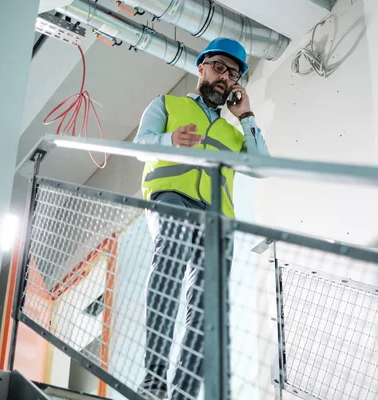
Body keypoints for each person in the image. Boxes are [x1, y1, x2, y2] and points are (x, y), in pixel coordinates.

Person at [133, 37, 270, 400]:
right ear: (202, 67)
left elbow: (262, 168)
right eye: (220, 68)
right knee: (169, 268)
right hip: (172, 198)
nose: (225, 78)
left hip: (217, 219)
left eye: (234, 74)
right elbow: (138, 146)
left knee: (206, 307)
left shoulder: (233, 131)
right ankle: (153, 380)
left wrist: (247, 117)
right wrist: (169, 140)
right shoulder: (168, 104)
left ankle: (182, 394)